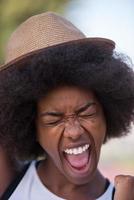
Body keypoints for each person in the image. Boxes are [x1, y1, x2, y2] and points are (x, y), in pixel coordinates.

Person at [0, 12, 134, 200]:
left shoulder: (123, 195)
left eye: (86, 112)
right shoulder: (8, 182)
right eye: (53, 120)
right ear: (32, 128)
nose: (74, 131)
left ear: (106, 112)